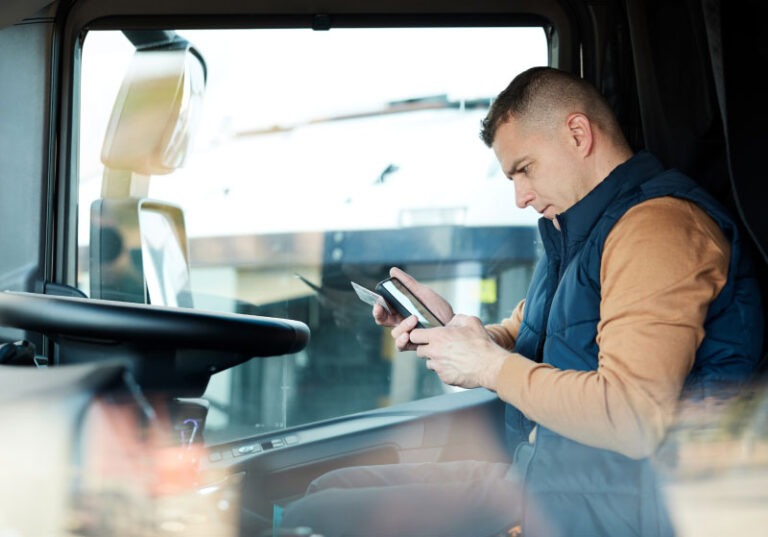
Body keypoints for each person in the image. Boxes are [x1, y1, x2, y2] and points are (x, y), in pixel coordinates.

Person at [281, 66, 764, 537]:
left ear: (578, 134)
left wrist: (488, 367)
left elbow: (632, 418)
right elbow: (524, 336)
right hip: (550, 481)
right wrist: (449, 333)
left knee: (322, 515)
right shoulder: (579, 235)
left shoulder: (655, 230)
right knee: (330, 490)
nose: (520, 197)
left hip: (620, 507)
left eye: (524, 169)